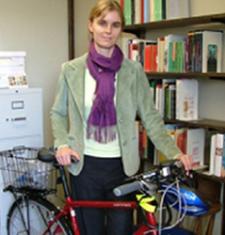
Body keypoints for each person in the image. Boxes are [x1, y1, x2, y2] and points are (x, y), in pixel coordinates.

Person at [51, 0, 193, 234]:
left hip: (123, 168)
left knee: (121, 230)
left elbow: (150, 116)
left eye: (115, 25)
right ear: (91, 25)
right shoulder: (71, 69)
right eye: (102, 23)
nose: (108, 31)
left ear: (121, 29)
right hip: (84, 167)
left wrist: (175, 152)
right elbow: (57, 112)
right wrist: (62, 144)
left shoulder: (133, 71)